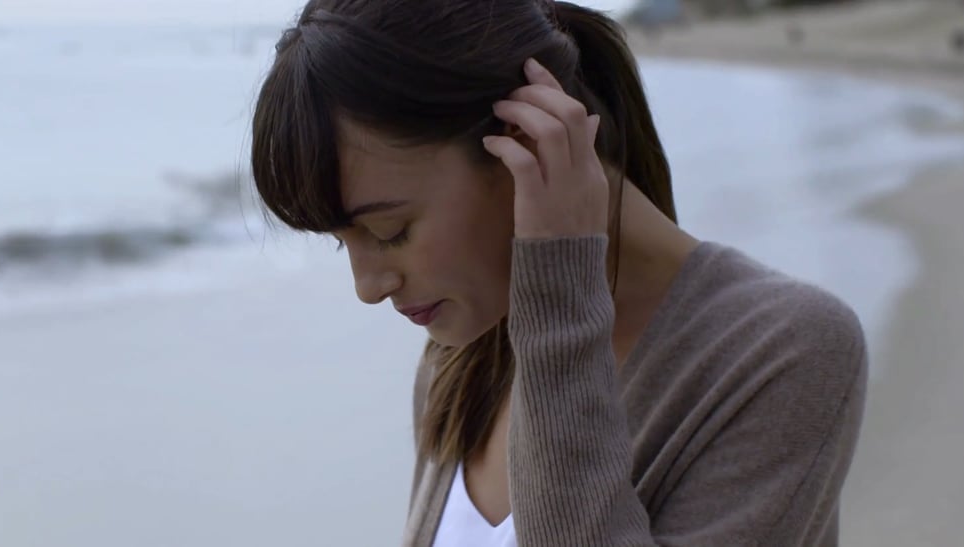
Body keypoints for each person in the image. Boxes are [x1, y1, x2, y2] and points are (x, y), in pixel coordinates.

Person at [249, 1, 867, 545]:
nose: (368, 287)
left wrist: (560, 291)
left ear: (523, 142)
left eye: (391, 231)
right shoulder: (458, 362)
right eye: (342, 245)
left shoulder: (785, 351)